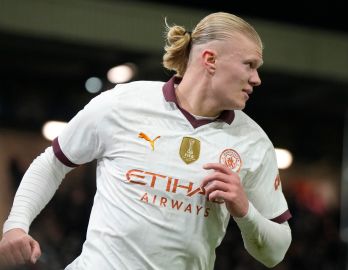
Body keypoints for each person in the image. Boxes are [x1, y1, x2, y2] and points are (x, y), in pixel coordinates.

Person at [0, 11, 292, 269]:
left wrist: (245, 212)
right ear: (210, 59)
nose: (257, 79)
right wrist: (15, 226)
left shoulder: (253, 143)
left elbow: (276, 252)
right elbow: (53, 163)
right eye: (250, 65)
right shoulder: (123, 103)